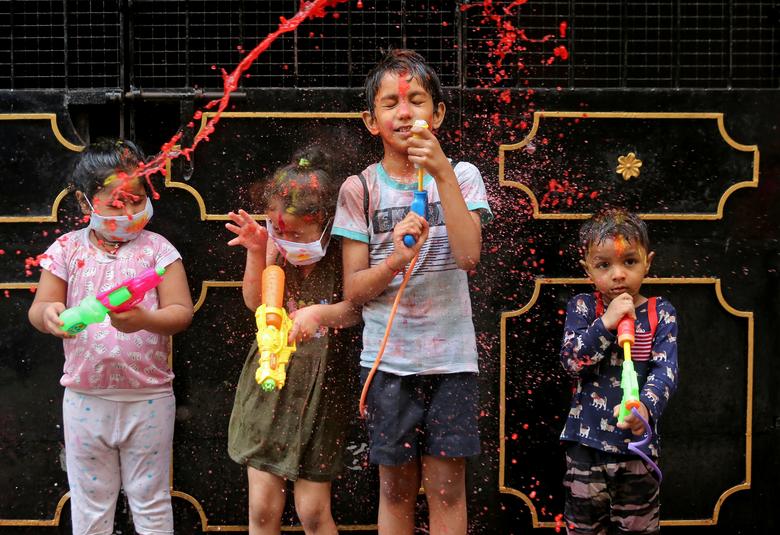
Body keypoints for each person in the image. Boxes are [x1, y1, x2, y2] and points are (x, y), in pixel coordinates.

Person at [331, 49, 492, 535]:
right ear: (371, 120)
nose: (405, 112)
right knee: (395, 490)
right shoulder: (359, 189)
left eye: (417, 100)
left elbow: (468, 258)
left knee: (447, 490)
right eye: (390, 103)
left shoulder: (463, 177)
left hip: (452, 364)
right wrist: (397, 259)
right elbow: (354, 290)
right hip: (389, 366)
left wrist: (442, 173)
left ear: (438, 114)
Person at [28, 139, 194, 535]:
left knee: (151, 500)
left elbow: (181, 313)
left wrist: (144, 321)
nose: (130, 211)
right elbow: (40, 308)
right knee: (90, 505)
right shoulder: (67, 250)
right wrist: (49, 317)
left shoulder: (158, 251)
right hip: (85, 398)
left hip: (149, 398)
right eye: (116, 202)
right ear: (86, 205)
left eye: (136, 200)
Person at [225, 146, 362, 535]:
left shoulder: (342, 250)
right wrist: (257, 251)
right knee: (263, 508)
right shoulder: (273, 241)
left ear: (324, 222)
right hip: (271, 383)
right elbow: (256, 302)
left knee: (313, 511)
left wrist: (319, 314)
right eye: (276, 228)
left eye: (296, 232)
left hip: (321, 388)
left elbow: (355, 309)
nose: (285, 238)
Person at [559, 208, 679, 535]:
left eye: (629, 262)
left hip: (637, 450)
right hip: (586, 446)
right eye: (603, 265)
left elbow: (665, 371)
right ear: (588, 270)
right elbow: (571, 361)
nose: (618, 275)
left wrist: (646, 408)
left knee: (640, 528)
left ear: (647, 262)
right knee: (583, 528)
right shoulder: (583, 308)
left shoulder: (660, 312)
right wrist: (607, 322)